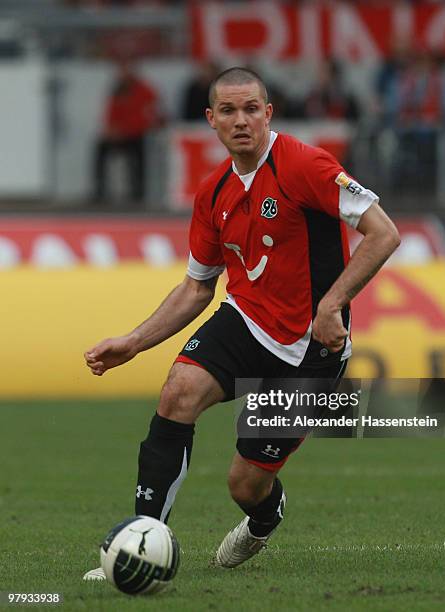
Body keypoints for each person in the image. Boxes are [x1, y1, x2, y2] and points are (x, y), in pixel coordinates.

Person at [83, 67, 400, 579]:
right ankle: (141, 543)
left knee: (244, 484)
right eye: (228, 111)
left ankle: (264, 517)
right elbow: (196, 287)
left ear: (268, 113)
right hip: (247, 321)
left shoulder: (305, 164)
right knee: (177, 392)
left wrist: (332, 304)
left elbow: (383, 233)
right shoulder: (212, 193)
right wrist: (135, 342)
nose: (241, 120)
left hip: (311, 349)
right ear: (210, 120)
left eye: (251, 108)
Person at [93, 59, 161, 205]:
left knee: (139, 151)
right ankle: (99, 190)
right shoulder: (116, 91)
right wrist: (111, 130)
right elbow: (109, 114)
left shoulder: (145, 90)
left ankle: (138, 192)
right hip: (119, 135)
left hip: (135, 134)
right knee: (100, 147)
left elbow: (149, 116)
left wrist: (127, 130)